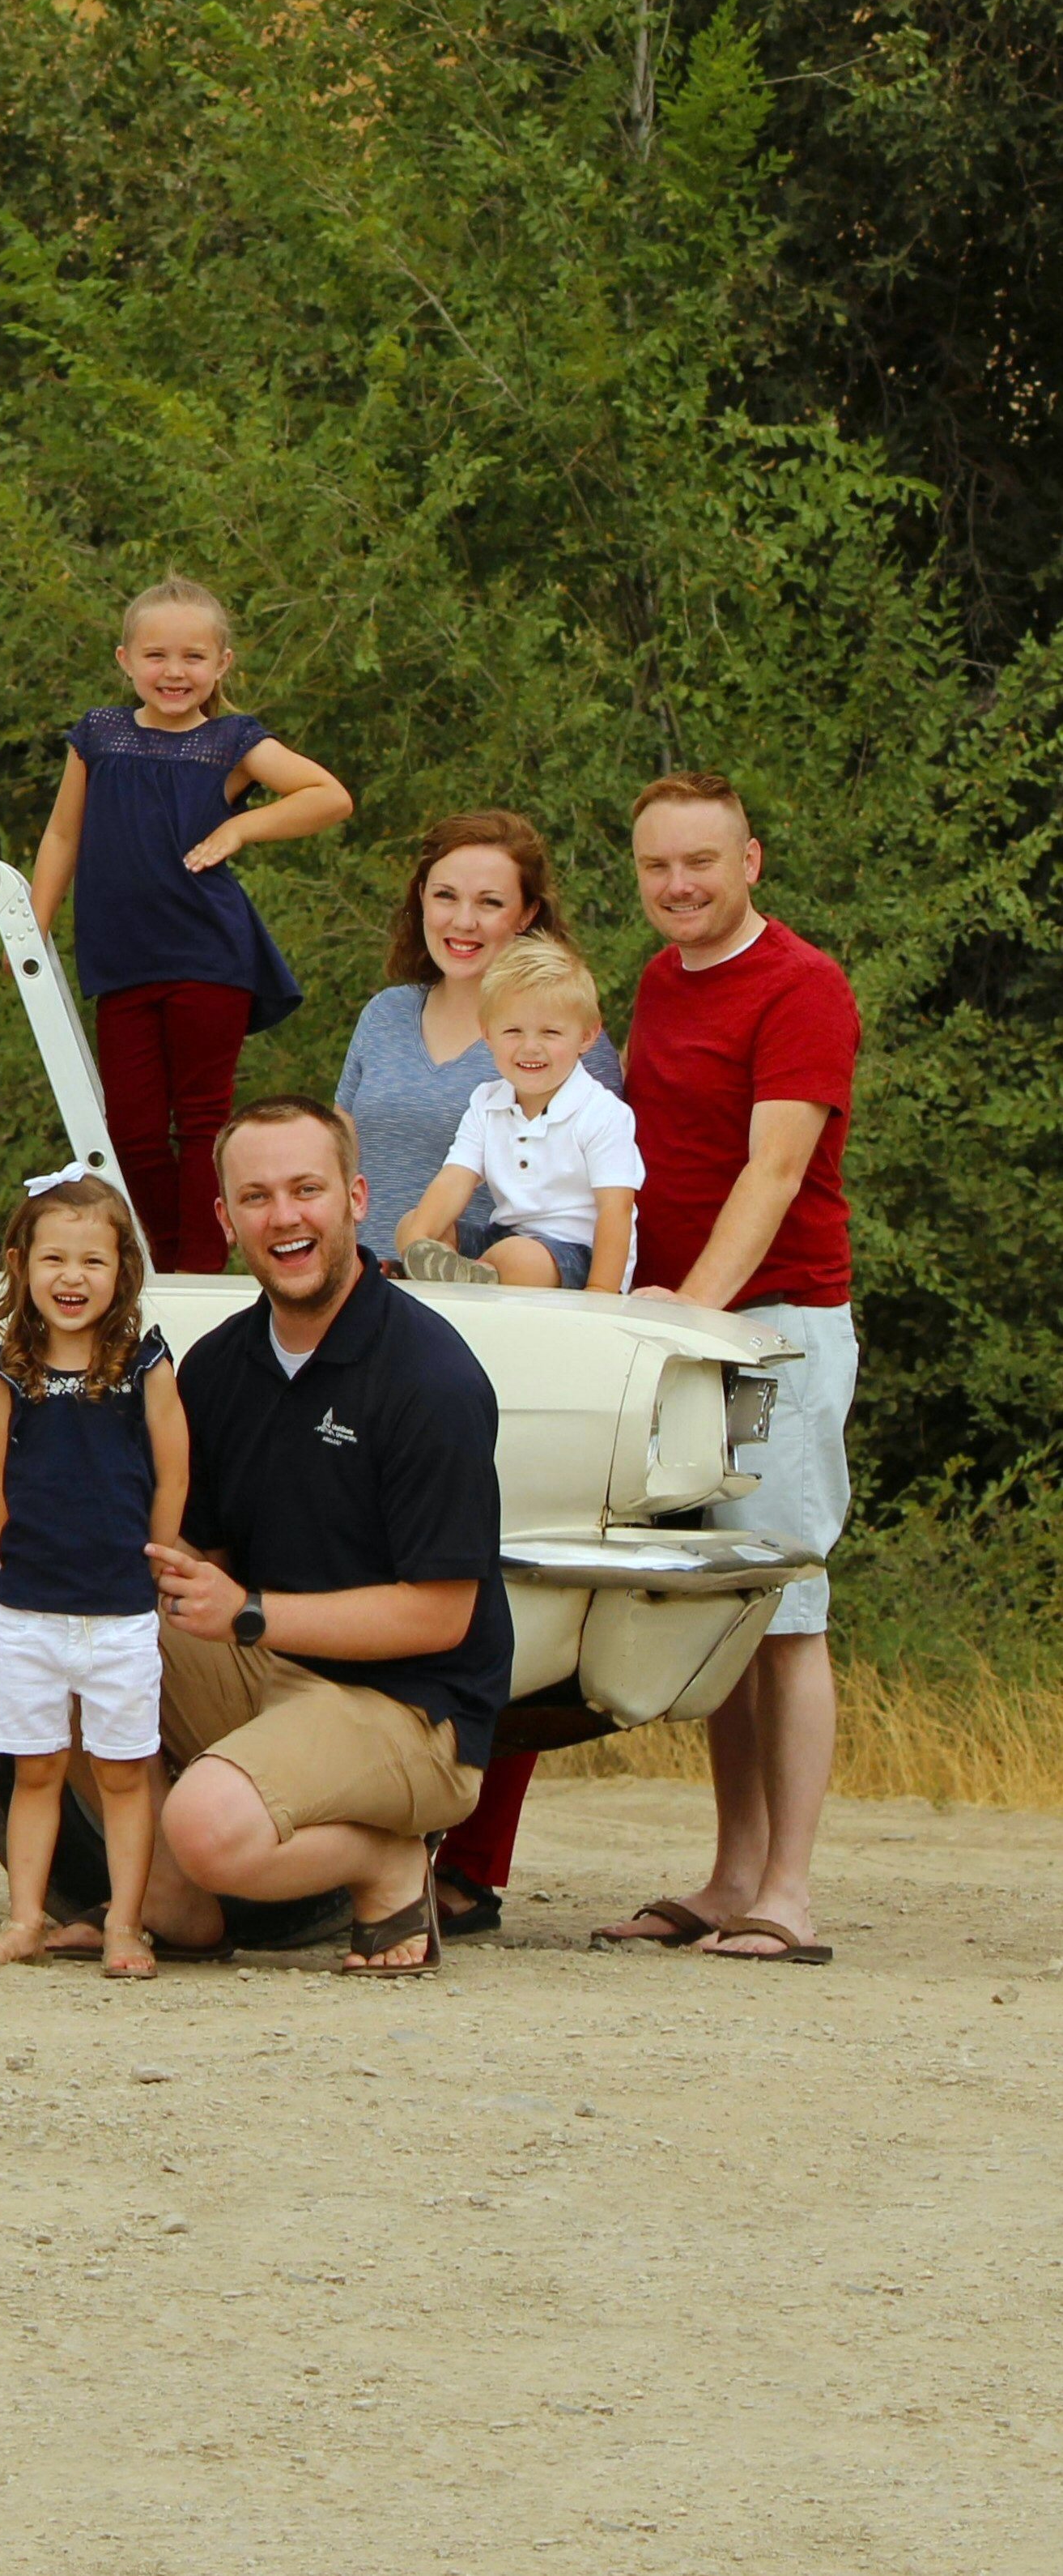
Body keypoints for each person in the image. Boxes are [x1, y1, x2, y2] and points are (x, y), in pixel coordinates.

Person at [328, 808, 622, 1928]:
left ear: (529, 912)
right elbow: (343, 1145)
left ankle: (472, 1858)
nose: (463, 919)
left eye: (490, 900)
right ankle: (370, 1830)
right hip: (367, 1299)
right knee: (364, 1562)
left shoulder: (559, 1029)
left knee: (481, 1573)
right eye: (445, 896)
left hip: (501, 1319)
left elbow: (594, 1185)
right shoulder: (385, 1014)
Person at [140, 1098, 509, 1980]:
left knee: (207, 1823)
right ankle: (175, 1908)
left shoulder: (429, 1376)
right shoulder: (219, 1365)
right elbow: (208, 1560)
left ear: (353, 1198)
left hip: (409, 1712)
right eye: (257, 1197)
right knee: (47, 1648)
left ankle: (384, 1865)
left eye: (306, 1189)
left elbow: (437, 1618)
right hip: (268, 1673)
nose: (284, 1217)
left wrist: (248, 1614)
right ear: (227, 1220)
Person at [592, 775, 861, 1968]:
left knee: (786, 1603)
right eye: (656, 867)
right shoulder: (660, 981)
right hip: (686, 1325)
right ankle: (730, 1873)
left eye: (699, 861)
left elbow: (773, 1172)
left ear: (748, 859)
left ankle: (789, 1892)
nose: (677, 885)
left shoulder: (802, 986)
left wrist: (690, 1315)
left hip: (774, 1326)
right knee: (722, 1605)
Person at [27, 578, 351, 1274]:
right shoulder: (100, 735)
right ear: (126, 659)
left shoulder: (229, 740)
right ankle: (157, 1261)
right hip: (123, 961)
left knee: (201, 1121)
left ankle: (201, 1271)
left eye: (194, 657)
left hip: (209, 955)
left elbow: (329, 796)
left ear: (222, 664)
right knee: (133, 1131)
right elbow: (61, 835)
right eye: (158, 656)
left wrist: (241, 827)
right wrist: (35, 927)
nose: (175, 672)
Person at [0, 1174, 183, 1979]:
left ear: (120, 1270)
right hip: (28, 1612)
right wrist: (16, 1566)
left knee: (123, 1773)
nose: (70, 1276)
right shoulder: (4, 1370)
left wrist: (151, 1564)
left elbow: (171, 1472)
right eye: (52, 1257)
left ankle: (126, 1924)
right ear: (20, 1266)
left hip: (118, 1613)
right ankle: (24, 1916)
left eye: (91, 1259)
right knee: (36, 1769)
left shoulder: (142, 1362)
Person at [389, 935, 639, 1292]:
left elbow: (616, 1213)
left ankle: (471, 1276)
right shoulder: (487, 1103)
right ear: (487, 1034)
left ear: (587, 1036)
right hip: (501, 1240)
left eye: (551, 1032)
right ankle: (442, 1270)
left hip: (574, 1254)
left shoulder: (601, 1113)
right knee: (413, 1222)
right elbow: (453, 1180)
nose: (530, 1047)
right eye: (513, 1031)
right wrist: (418, 1239)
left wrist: (601, 1293)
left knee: (520, 1259)